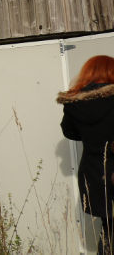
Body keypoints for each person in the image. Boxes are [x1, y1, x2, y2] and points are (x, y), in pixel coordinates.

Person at [59, 54, 114, 253]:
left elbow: (69, 131)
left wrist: (92, 135)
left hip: (94, 174)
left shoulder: (75, 103)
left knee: (108, 228)